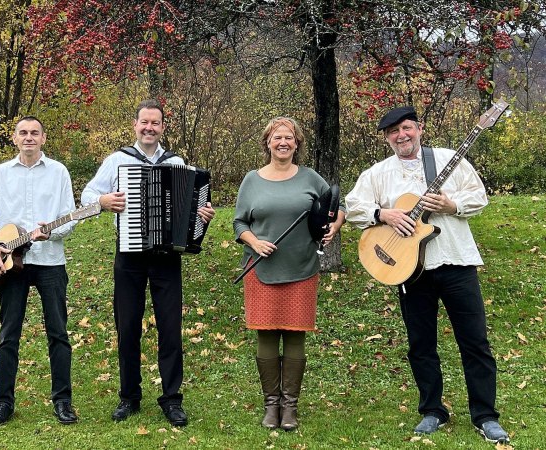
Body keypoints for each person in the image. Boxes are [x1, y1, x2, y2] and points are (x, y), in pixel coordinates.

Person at [345, 106, 509, 444]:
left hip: (456, 262)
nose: (401, 135)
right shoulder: (378, 173)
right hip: (408, 269)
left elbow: (479, 196)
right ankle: (432, 410)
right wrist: (383, 214)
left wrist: (452, 205)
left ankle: (485, 414)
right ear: (387, 138)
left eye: (406, 128)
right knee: (421, 344)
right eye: (393, 132)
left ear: (419, 128)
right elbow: (354, 206)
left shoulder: (449, 159)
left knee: (475, 341)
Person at [81, 99, 216, 427]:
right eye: (144, 122)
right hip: (128, 257)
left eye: (155, 123)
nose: (149, 128)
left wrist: (202, 214)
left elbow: (191, 210)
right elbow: (86, 195)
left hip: (167, 258)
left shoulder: (177, 162)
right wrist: (103, 200)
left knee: (170, 328)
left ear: (162, 127)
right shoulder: (117, 160)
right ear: (135, 125)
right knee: (127, 326)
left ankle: (171, 399)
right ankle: (129, 396)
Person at [233, 117, 346, 431]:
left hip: (302, 267)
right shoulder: (251, 180)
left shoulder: (311, 178)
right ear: (268, 142)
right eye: (277, 137)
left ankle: (290, 406)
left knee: (295, 335)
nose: (283, 143)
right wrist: (255, 242)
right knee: (266, 334)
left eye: (289, 138)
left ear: (297, 144)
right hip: (262, 269)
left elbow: (338, 208)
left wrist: (333, 228)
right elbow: (239, 223)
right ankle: (271, 405)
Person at [0, 116, 79, 427]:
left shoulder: (59, 173)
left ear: (44, 138)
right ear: (15, 139)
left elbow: (70, 219)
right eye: (23, 133)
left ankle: (63, 402)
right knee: (8, 335)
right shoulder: (1, 174)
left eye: (34, 133)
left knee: (58, 333)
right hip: (10, 268)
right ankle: (3, 403)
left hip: (50, 262)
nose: (29, 138)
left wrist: (51, 232)